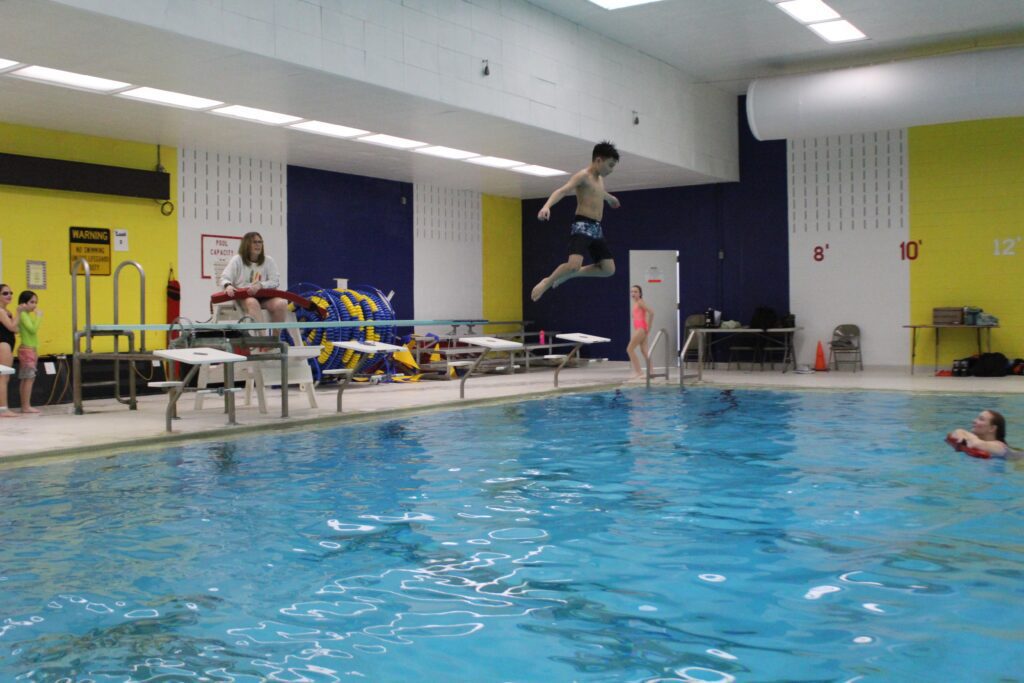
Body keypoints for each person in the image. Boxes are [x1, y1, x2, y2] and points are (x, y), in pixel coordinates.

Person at [530, 141, 621, 302]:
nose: (611, 170)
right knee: (573, 264)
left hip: (596, 228)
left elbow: (599, 192)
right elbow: (562, 190)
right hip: (582, 226)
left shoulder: (599, 179)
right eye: (610, 165)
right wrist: (546, 206)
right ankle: (547, 282)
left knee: (608, 269)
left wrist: (610, 198)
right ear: (598, 160)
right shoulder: (583, 176)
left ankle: (571, 275)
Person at [219, 232, 289, 326]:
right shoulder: (237, 259)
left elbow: (275, 282)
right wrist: (228, 286)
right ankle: (262, 339)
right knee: (253, 302)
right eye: (254, 242)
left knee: (281, 304)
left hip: (264, 297)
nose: (258, 245)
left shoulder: (269, 260)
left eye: (260, 242)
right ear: (247, 244)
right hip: (244, 297)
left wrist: (261, 285)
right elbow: (224, 278)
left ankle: (275, 339)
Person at [16, 290, 41, 414]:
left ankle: (24, 405)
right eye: (32, 302)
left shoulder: (26, 315)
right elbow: (32, 330)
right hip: (27, 350)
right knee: (28, 378)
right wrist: (39, 317)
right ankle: (26, 406)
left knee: (26, 378)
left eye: (36, 302)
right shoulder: (24, 315)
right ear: (23, 303)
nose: (35, 305)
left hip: (30, 349)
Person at [627, 284, 653, 379]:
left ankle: (639, 372)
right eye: (632, 291)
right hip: (640, 329)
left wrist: (648, 328)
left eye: (636, 291)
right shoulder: (636, 303)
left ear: (640, 293)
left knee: (629, 349)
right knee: (644, 351)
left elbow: (651, 312)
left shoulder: (640, 302)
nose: (633, 293)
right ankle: (651, 371)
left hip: (642, 329)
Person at [0, 284, 18, 417]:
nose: (9, 296)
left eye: (10, 293)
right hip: (3, 345)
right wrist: (20, 313)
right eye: (5, 293)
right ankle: (3, 408)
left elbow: (15, 329)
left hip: (8, 344)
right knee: (3, 377)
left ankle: (3, 407)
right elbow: (12, 327)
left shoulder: (7, 312)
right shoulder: (0, 311)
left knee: (5, 378)